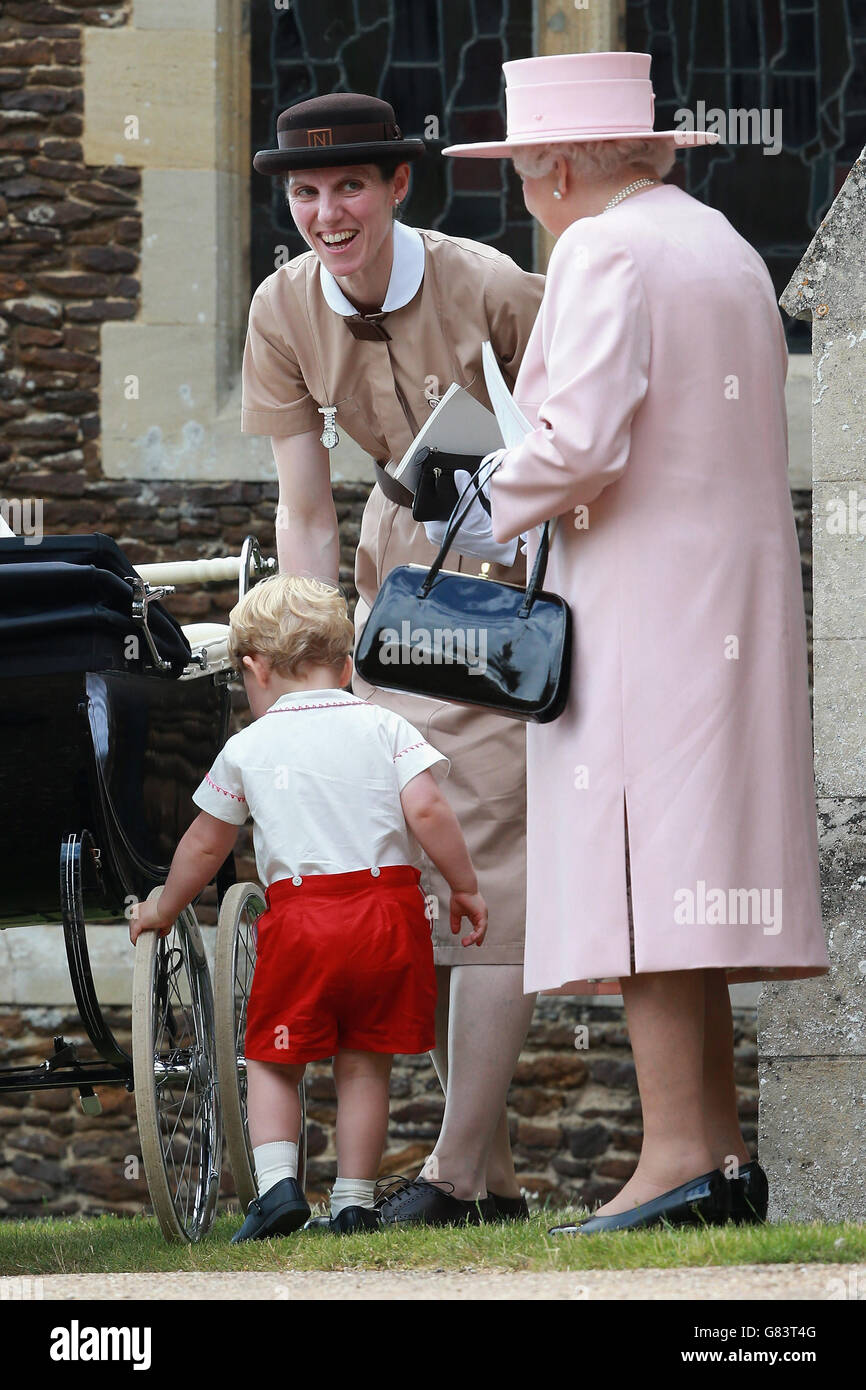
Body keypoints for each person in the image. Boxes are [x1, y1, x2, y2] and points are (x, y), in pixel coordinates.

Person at [436, 50, 830, 1233]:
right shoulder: (714, 240)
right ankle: (715, 1155)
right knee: (688, 869)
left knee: (647, 872)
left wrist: (461, 487)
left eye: (521, 171)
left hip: (644, 603)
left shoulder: (601, 249)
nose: (522, 197)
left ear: (557, 164)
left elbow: (578, 440)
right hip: (726, 601)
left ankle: (669, 1159)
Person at [241, 91, 546, 1225]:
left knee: (486, 859)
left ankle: (456, 1174)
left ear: (397, 185)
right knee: (404, 861)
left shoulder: (491, 285)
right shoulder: (281, 306)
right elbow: (304, 506)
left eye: (349, 188)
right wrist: (316, 658)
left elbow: (589, 433)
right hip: (387, 577)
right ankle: (495, 1173)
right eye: (306, 192)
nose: (326, 212)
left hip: (506, 574)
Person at [129, 575, 488, 1239]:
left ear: (253, 668)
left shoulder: (249, 747)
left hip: (305, 918)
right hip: (389, 913)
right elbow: (429, 808)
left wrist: (161, 906)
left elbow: (207, 845)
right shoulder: (384, 725)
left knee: (273, 1057)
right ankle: (353, 1203)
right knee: (364, 1061)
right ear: (347, 665)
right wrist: (462, 885)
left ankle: (277, 1189)